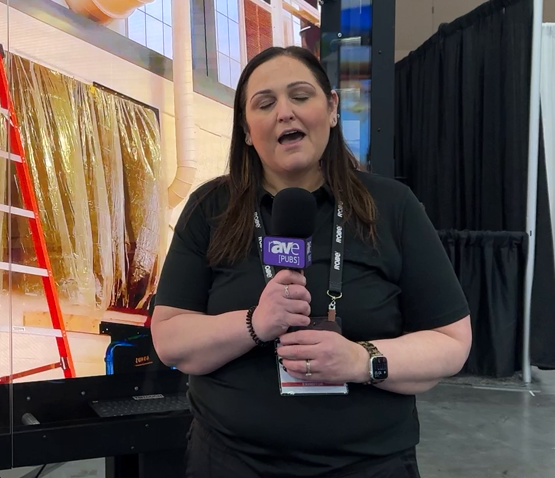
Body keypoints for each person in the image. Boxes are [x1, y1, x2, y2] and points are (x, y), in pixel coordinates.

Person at [151, 46, 472, 478]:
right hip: (232, 462)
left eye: (300, 96)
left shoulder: (392, 206)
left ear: (332, 108)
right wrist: (254, 323)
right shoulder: (210, 208)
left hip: (369, 465)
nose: (285, 112)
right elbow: (170, 338)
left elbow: (451, 342)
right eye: (265, 104)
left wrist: (360, 360)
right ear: (246, 130)